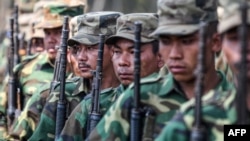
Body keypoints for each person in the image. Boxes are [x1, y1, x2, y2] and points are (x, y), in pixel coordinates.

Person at [87, 0, 233, 140]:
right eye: (166, 41)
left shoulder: (238, 103)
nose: (175, 54)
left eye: (187, 41)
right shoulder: (140, 97)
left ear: (216, 42)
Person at [58, 13, 163, 141]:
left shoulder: (181, 106)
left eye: (133, 52)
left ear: (161, 56)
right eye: (117, 52)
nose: (122, 61)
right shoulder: (93, 105)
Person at [28, 11, 123, 141]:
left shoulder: (131, 94)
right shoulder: (64, 93)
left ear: (115, 50)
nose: (81, 57)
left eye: (90, 48)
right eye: (78, 49)